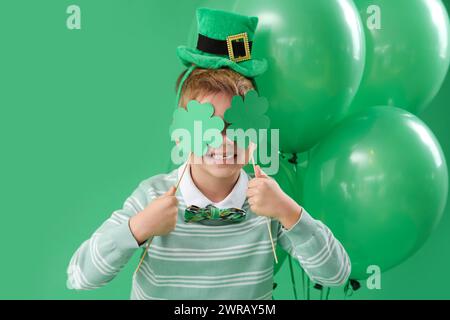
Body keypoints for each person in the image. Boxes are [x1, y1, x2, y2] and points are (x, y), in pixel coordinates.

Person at [66, 7, 350, 300]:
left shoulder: (268, 205)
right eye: (207, 125)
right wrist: (137, 229)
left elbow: (336, 274)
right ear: (182, 133)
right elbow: (80, 275)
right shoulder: (152, 197)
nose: (224, 141)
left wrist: (289, 212)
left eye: (239, 124)